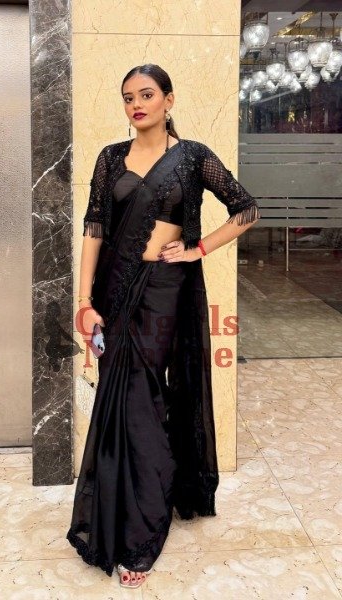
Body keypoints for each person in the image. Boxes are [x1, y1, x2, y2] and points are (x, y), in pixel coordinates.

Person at [66, 63, 261, 588]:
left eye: (147, 94)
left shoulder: (193, 157)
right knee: (120, 399)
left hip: (164, 291)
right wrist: (83, 301)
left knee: (143, 398)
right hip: (114, 289)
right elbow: (94, 228)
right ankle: (124, 511)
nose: (136, 104)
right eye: (128, 96)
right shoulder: (111, 158)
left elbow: (247, 209)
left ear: (168, 100)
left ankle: (143, 530)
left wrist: (198, 248)